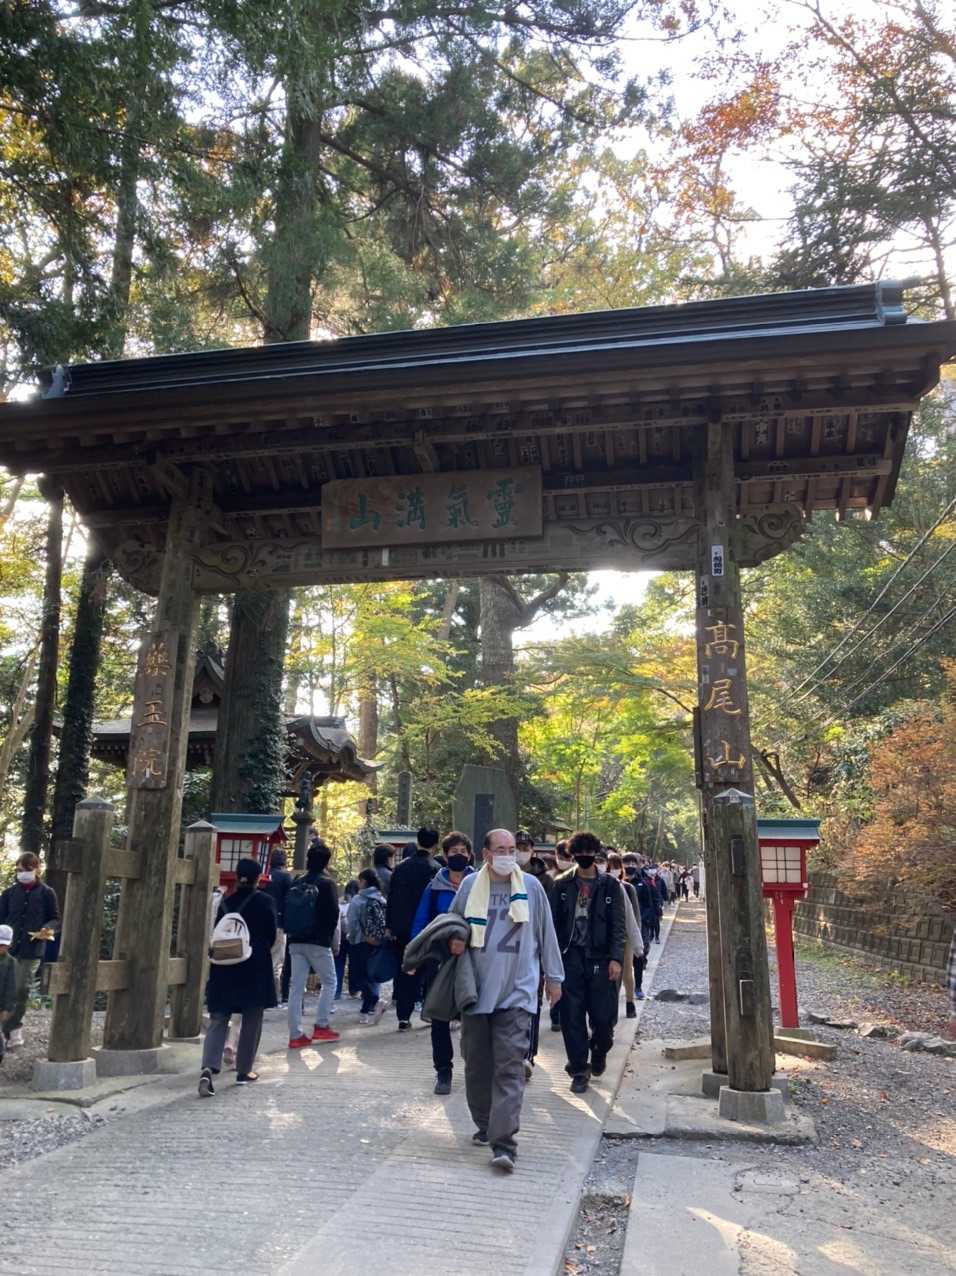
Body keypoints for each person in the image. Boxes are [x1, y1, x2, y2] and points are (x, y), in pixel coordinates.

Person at [447, 828, 563, 1173]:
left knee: (510, 1068)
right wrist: (453, 940)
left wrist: (554, 977)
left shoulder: (531, 887)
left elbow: (546, 933)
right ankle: (486, 1124)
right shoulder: (470, 886)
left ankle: (504, 1144)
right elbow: (452, 925)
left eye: (512, 849)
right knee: (477, 1066)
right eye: (500, 849)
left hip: (518, 992)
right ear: (485, 853)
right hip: (476, 990)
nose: (508, 855)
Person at [551, 830, 626, 1094]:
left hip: (601, 958)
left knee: (604, 1019)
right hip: (570, 957)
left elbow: (618, 925)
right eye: (579, 853)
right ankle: (578, 1069)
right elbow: (553, 925)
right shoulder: (561, 885)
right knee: (571, 1016)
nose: (584, 857)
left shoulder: (610, 885)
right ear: (573, 855)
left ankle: (600, 1050)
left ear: (596, 854)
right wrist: (551, 962)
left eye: (589, 852)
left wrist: (616, 958)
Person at [199, 857, 276, 1096]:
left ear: (236, 876)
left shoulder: (225, 903)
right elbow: (271, 935)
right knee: (252, 1017)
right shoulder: (265, 901)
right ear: (258, 878)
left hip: (224, 965)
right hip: (254, 966)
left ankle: (208, 1067)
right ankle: (244, 1070)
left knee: (219, 1018)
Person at [410, 831, 475, 1094]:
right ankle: (443, 1071)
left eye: (463, 851)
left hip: (473, 957)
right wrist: (416, 954)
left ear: (470, 855)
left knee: (473, 1014)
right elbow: (421, 921)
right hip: (440, 959)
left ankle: (475, 1067)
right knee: (439, 1016)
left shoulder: (479, 883)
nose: (459, 855)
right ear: (445, 856)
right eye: (453, 852)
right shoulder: (434, 887)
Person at [0, 852, 59, 1049]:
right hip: (7, 948)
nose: (22, 873)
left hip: (31, 950)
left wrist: (46, 929)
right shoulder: (9, 894)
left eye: (27, 870)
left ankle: (13, 1028)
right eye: (19, 870)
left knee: (20, 989)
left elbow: (55, 919)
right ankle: (5, 1030)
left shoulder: (47, 893)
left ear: (36, 869)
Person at [286, 840, 341, 1048]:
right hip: (318, 941)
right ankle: (321, 1025)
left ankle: (295, 1034)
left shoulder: (296, 881)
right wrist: (329, 940)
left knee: (296, 987)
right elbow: (333, 914)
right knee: (330, 981)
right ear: (326, 862)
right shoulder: (327, 884)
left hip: (295, 940)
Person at [385, 826, 440, 1030]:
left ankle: (403, 1016)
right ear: (436, 844)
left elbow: (392, 897)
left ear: (418, 841)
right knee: (430, 970)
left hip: (402, 928)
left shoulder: (401, 867)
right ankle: (429, 1011)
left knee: (405, 970)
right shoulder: (435, 869)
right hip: (427, 928)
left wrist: (390, 925)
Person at [347, 868, 389, 1024]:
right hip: (377, 941)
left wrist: (353, 938)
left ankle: (377, 1001)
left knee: (359, 977)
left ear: (363, 881)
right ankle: (365, 1012)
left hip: (360, 942)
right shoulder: (381, 899)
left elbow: (352, 923)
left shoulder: (358, 900)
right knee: (371, 976)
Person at [608, 852, 644, 1019]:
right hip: (607, 935)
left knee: (626, 971)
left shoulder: (628, 888)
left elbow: (635, 916)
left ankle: (630, 1002)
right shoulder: (602, 886)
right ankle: (611, 1004)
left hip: (626, 936)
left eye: (616, 866)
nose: (613, 870)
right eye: (611, 866)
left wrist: (637, 941)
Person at [266, 848, 293, 985]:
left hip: (262, 923)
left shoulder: (264, 875)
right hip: (279, 922)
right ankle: (273, 991)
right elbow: (290, 900)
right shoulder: (285, 877)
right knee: (276, 961)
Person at [336, 879, 360, 999]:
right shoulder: (358, 902)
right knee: (354, 964)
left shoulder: (339, 902)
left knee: (338, 963)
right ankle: (354, 989)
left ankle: (336, 991)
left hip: (340, 936)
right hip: (354, 937)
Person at [0, 925, 16, 1065]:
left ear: (9, 945)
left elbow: (11, 988)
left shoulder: (10, 963)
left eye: (3, 945)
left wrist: (7, 1008)